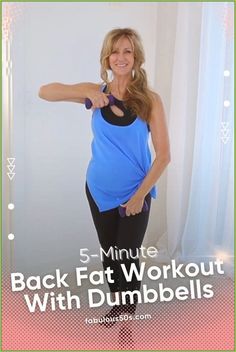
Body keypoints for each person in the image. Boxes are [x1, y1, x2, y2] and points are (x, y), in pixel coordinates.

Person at [39, 28, 170, 327]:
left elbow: (164, 156)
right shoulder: (96, 90)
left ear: (136, 57)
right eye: (115, 51)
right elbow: (45, 91)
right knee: (111, 255)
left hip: (136, 192)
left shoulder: (150, 100)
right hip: (98, 189)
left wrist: (139, 196)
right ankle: (117, 306)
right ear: (106, 58)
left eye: (127, 51)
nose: (121, 57)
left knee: (127, 257)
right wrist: (88, 94)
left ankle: (128, 319)